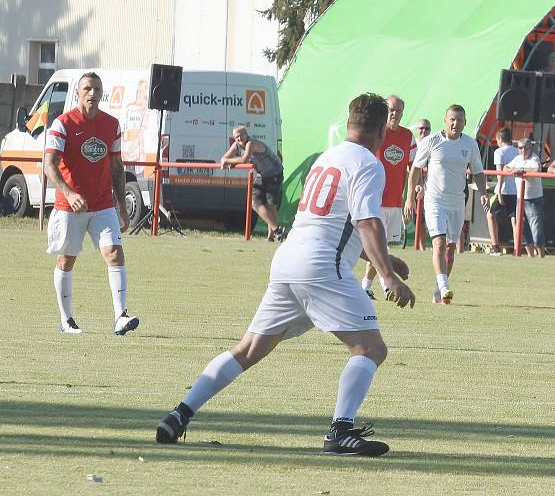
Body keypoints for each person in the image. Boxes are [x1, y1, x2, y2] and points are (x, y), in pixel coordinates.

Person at [156, 93, 415, 456]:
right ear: (381, 130)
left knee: (247, 349)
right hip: (321, 267)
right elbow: (366, 222)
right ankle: (340, 431)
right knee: (370, 348)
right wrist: (387, 276)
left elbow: (331, 225)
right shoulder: (370, 165)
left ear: (350, 122)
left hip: (288, 259)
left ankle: (180, 413)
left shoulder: (328, 157)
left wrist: (387, 259)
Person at [42, 72, 139, 336]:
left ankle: (120, 316)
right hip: (68, 206)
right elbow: (49, 165)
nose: (92, 93)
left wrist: (121, 206)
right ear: (78, 92)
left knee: (115, 253)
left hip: (103, 204)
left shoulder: (112, 124)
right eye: (87, 88)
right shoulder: (62, 124)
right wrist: (69, 193)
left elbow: (117, 168)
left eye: (97, 89)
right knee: (66, 261)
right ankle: (66, 320)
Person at [404, 104, 489, 305]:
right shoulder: (432, 141)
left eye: (459, 120)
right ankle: (444, 286)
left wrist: (484, 193)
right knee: (439, 243)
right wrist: (409, 197)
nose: (455, 123)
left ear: (465, 123)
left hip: (457, 201)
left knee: (451, 247)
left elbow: (477, 171)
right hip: (435, 200)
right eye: (452, 119)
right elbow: (415, 169)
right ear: (445, 120)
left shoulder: (469, 144)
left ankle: (438, 290)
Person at [361, 95, 416, 299]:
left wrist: (412, 194)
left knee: (383, 246)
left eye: (398, 111)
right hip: (376, 200)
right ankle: (381, 284)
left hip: (395, 201)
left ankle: (368, 285)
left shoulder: (408, 137)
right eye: (391, 110)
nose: (395, 114)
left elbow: (414, 168)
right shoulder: (376, 133)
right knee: (378, 245)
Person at [220, 126, 284, 241]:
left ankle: (271, 236)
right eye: (236, 137)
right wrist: (228, 161)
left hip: (274, 173)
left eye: (241, 135)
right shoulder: (236, 146)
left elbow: (244, 159)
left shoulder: (251, 143)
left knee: (271, 205)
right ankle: (278, 231)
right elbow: (224, 158)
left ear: (246, 134)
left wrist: (229, 162)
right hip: (262, 174)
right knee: (255, 203)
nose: (239, 138)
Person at [505, 138, 546, 258]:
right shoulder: (517, 159)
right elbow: (506, 168)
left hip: (534, 199)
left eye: (526, 148)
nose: (523, 150)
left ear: (531, 148)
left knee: (536, 229)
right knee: (522, 229)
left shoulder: (534, 158)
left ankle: (541, 257)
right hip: (520, 198)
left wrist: (521, 170)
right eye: (520, 148)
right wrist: (513, 170)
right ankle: (530, 256)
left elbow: (536, 169)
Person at [487, 127, 522, 257]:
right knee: (514, 219)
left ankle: (495, 247)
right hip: (516, 190)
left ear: (500, 139)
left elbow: (500, 173)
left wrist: (500, 191)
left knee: (490, 214)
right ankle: (516, 249)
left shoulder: (499, 152)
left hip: (504, 189)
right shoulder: (518, 152)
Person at [534, 49, 555, 162]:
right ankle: (536, 166)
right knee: (539, 142)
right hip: (542, 111)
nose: (553, 59)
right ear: (548, 60)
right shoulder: (542, 72)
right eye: (551, 57)